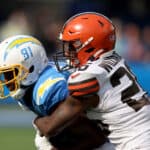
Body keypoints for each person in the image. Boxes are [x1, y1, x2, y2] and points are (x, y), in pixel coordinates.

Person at [34, 12, 150, 150]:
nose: (67, 52)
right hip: (140, 137)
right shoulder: (114, 60)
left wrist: (37, 119)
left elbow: (49, 127)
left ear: (90, 44)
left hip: (138, 144)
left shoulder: (88, 76)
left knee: (44, 140)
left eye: (73, 45)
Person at [0, 35, 110, 150]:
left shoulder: (49, 89)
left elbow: (93, 135)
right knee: (44, 139)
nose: (7, 81)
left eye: (11, 74)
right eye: (5, 75)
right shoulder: (30, 86)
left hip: (107, 135)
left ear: (31, 68)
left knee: (50, 136)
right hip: (98, 130)